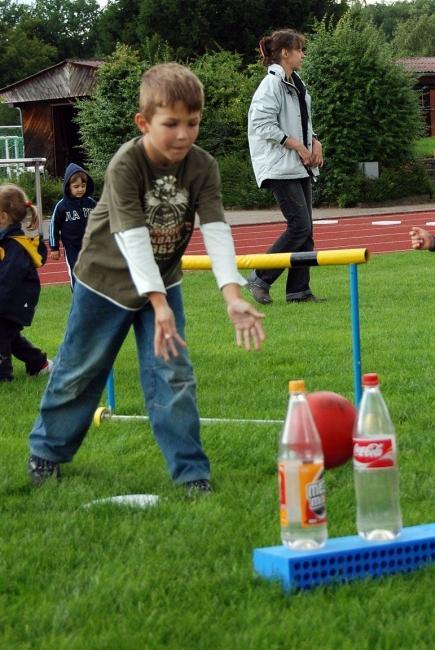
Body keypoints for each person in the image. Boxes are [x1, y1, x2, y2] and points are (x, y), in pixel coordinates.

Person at [27, 63, 266, 494]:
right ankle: (46, 452)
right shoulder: (126, 164)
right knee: (81, 370)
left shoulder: (203, 166)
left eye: (192, 123)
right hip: (105, 284)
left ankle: (192, 474)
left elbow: (215, 229)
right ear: (144, 122)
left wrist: (232, 294)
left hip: (164, 282)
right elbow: (133, 239)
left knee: (173, 375)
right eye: (171, 124)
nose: (183, 134)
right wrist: (158, 306)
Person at [246, 28, 324, 305]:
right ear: (284, 53)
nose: (303, 54)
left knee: (306, 229)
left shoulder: (296, 82)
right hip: (279, 166)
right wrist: (298, 145)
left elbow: (301, 122)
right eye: (299, 49)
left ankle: (299, 291)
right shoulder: (271, 85)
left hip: (298, 164)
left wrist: (314, 142)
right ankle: (260, 277)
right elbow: (262, 125)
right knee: (299, 226)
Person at [0, 184, 53, 381]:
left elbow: (8, 281)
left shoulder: (15, 246)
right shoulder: (7, 241)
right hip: (10, 300)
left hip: (14, 302)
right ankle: (39, 363)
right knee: (11, 338)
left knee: (2, 335)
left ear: (4, 217)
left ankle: (3, 376)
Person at [49, 163, 96, 287]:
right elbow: (54, 226)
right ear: (68, 187)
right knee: (76, 273)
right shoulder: (61, 206)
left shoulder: (90, 203)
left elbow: (101, 220)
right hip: (72, 247)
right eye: (76, 186)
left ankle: (93, 299)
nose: (80, 189)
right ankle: (77, 298)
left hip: (90, 245)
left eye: (83, 186)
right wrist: (54, 247)